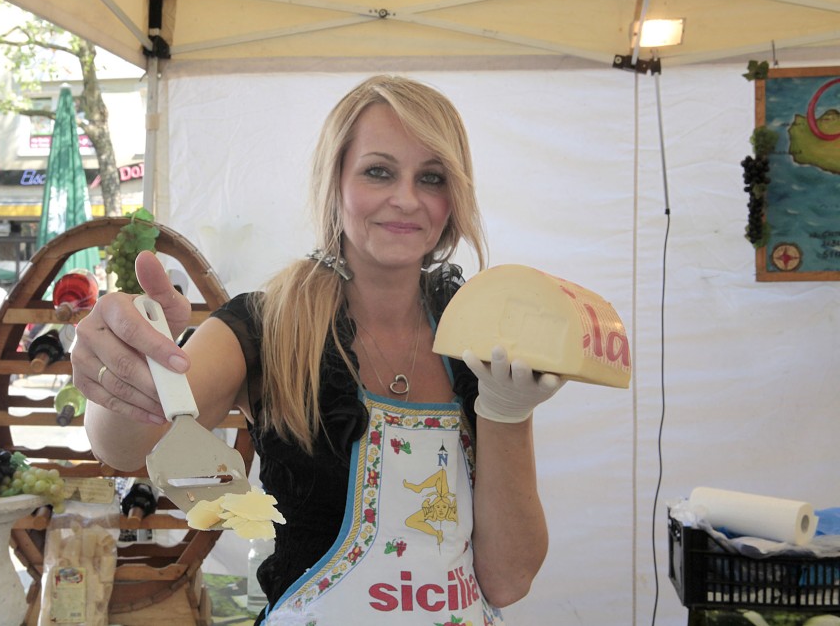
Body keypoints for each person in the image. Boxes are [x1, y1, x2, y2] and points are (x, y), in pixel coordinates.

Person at [71, 75, 566, 625]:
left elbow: (508, 578)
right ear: (335, 181)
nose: (407, 199)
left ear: (454, 199)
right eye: (379, 171)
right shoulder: (269, 325)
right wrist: (134, 360)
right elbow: (129, 447)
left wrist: (508, 410)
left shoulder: (477, 334)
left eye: (431, 177)